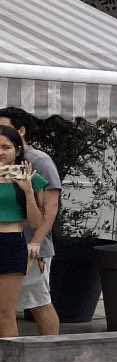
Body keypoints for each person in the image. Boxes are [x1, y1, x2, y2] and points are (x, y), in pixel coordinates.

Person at [0, 108, 61, 334]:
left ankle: (50, 352)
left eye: (6, 146)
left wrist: (27, 191)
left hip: (21, 245)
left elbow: (45, 213)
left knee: (33, 303)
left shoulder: (34, 165)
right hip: (19, 245)